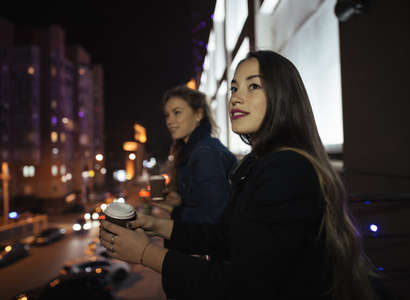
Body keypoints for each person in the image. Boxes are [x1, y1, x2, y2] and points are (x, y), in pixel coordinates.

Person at [100, 50, 381, 299]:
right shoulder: (263, 161)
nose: (236, 98)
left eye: (253, 86)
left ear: (282, 96)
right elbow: (230, 235)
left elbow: (247, 285)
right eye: (234, 88)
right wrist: (156, 225)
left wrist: (146, 253)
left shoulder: (286, 169)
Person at [156, 85, 237, 223]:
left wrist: (175, 211)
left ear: (198, 114)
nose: (169, 121)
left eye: (177, 112)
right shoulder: (191, 150)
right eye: (167, 115)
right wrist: (181, 200)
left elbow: (215, 215)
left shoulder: (205, 153)